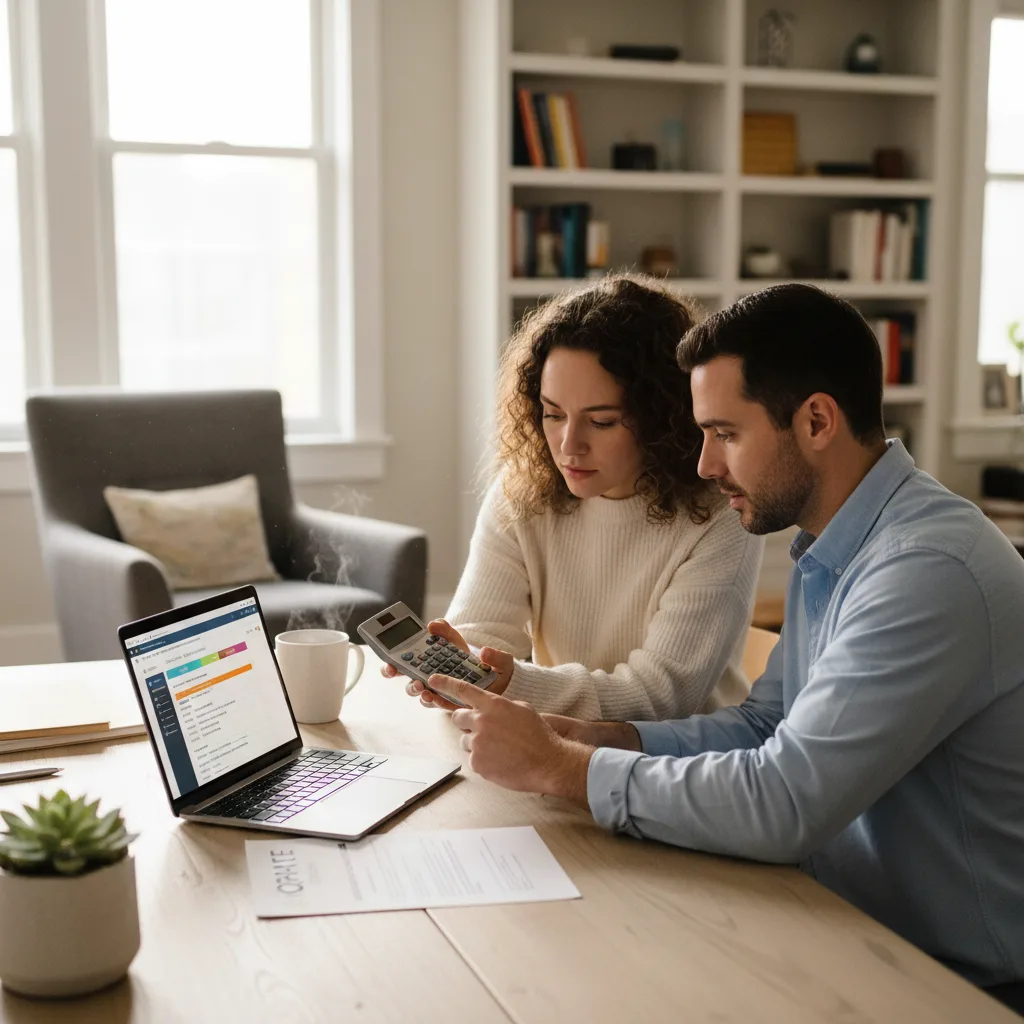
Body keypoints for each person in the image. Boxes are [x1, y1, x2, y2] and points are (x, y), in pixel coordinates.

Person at [423, 284, 1024, 1007]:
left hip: (953, 978)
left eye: (726, 434)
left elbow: (785, 801)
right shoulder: (838, 543)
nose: (704, 464)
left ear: (817, 421)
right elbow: (765, 725)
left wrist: (563, 768)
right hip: (832, 913)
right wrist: (606, 737)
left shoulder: (925, 571)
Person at [386, 273, 763, 721]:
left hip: (679, 755)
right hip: (553, 742)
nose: (568, 446)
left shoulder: (722, 511)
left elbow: (661, 695)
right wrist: (458, 673)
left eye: (601, 422)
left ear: (664, 418)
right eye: (552, 414)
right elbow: (482, 635)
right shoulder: (522, 491)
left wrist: (508, 682)